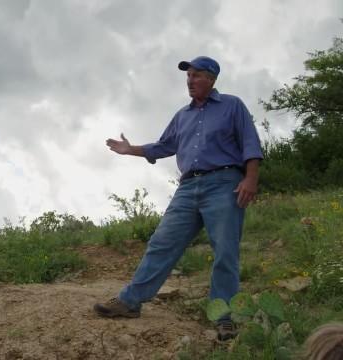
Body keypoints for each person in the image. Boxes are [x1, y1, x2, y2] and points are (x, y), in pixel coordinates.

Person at [94, 56, 263, 341]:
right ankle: (130, 302)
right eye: (188, 76)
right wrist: (130, 149)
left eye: (196, 75)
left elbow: (250, 142)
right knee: (161, 243)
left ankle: (224, 318)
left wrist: (251, 178)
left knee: (225, 251)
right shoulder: (182, 115)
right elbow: (163, 146)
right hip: (187, 187)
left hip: (225, 183)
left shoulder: (232, 105)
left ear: (211, 78)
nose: (190, 80)